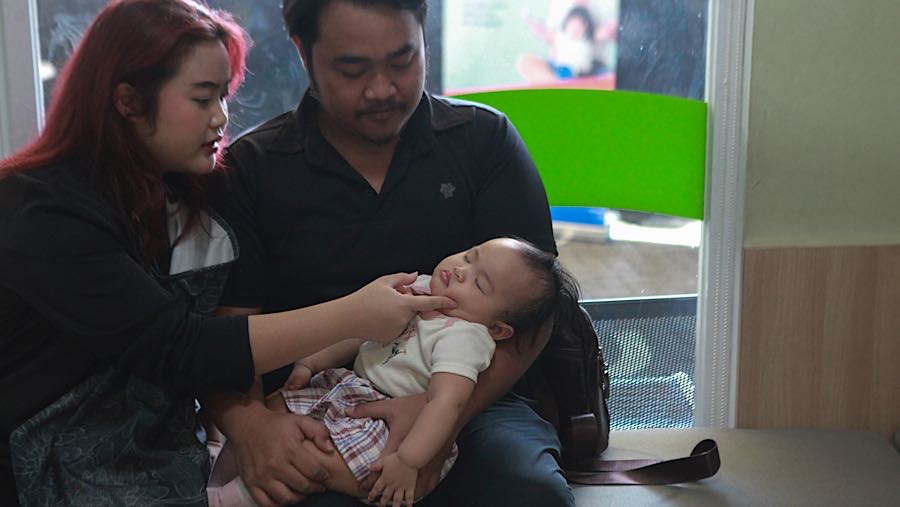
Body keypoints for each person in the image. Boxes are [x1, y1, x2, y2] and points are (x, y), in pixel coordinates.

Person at [0, 1, 453, 505]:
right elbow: (179, 346)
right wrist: (352, 315)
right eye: (201, 99)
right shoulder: (41, 211)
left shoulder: (182, 191)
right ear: (128, 101)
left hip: (159, 450)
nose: (221, 118)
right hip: (39, 459)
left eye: (223, 95)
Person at [206, 1, 575, 506]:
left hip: (477, 399)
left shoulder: (483, 140)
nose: (382, 89)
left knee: (528, 494)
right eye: (352, 69)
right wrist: (251, 429)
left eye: (402, 62)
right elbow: (223, 337)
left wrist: (435, 417)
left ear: (425, 39)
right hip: (321, 405)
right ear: (303, 53)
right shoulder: (253, 168)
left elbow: (534, 315)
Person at [207, 238, 582, 506]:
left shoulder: (464, 337)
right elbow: (357, 333)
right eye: (469, 256)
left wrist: (409, 461)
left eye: (479, 283)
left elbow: (445, 404)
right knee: (271, 413)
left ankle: (233, 498)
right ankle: (216, 478)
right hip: (345, 386)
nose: (460, 271)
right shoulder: (417, 288)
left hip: (392, 426)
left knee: (329, 463)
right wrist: (311, 363)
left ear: (499, 329)